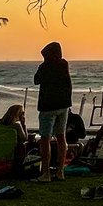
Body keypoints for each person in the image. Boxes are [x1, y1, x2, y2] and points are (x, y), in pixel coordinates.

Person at [33, 42, 72, 182]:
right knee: (61, 138)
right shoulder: (63, 64)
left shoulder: (45, 66)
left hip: (48, 107)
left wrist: (42, 66)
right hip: (63, 105)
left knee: (45, 139)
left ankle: (46, 173)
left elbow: (36, 80)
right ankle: (60, 171)